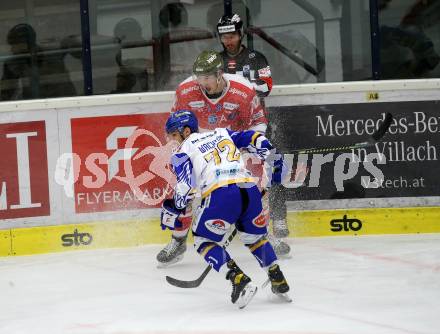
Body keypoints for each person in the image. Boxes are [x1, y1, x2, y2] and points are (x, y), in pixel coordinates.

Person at [156, 50, 288, 266]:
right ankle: (178, 240)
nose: (202, 82)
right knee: (184, 189)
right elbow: (178, 127)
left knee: (255, 187)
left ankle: (262, 235)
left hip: (234, 144)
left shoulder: (244, 91)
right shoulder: (185, 92)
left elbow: (257, 121)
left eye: (207, 77)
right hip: (201, 148)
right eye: (199, 77)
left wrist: (250, 150)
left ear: (219, 74)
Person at [160, 110, 291, 308]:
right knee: (255, 239)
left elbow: (185, 187)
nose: (172, 140)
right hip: (249, 189)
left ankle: (238, 279)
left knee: (204, 241)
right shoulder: (222, 133)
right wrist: (275, 163)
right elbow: (255, 138)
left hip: (221, 193)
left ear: (186, 131)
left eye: (174, 135)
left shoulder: (181, 152)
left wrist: (174, 208)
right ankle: (277, 278)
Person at [216, 13, 291, 253]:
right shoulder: (214, 61)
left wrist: (239, 84)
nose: (228, 40)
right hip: (227, 130)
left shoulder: (256, 58)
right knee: (228, 176)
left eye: (232, 35)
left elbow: (267, 88)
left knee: (270, 170)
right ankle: (225, 223)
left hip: (256, 125)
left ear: (241, 34)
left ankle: (278, 219)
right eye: (224, 36)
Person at [1, 23, 76, 100]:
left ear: (25, 44)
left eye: (14, 45)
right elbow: (5, 94)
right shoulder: (13, 64)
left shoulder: (51, 56)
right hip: (31, 106)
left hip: (59, 104)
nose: (12, 49)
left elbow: (65, 88)